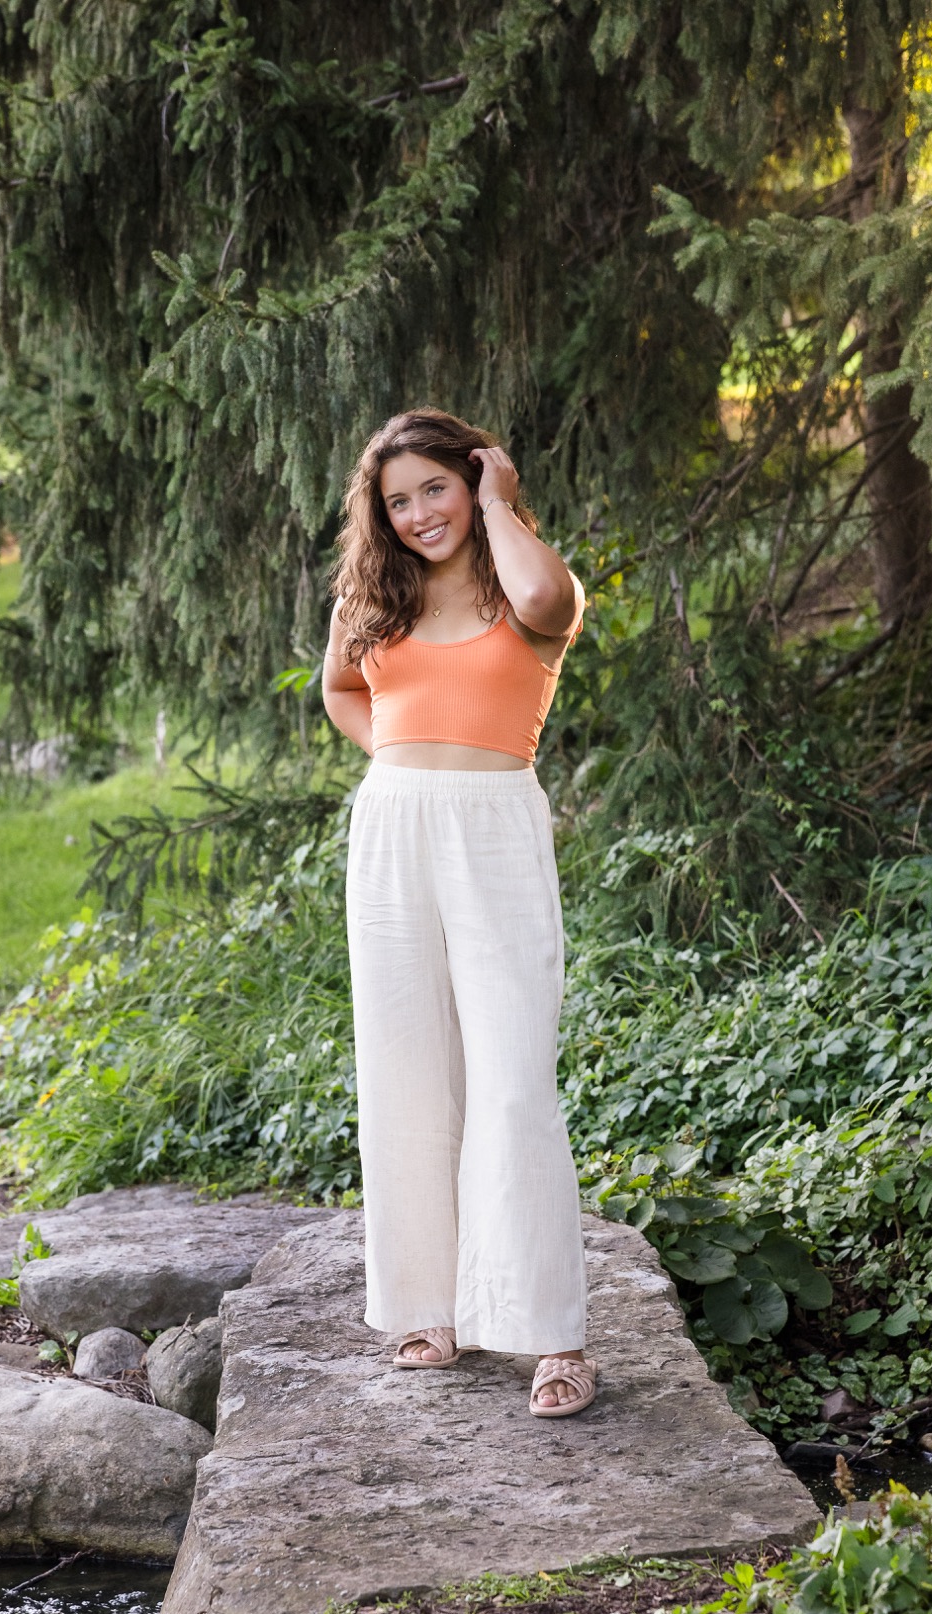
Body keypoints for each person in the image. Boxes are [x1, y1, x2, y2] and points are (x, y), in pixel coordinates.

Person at [321, 406, 596, 1419]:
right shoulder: (373, 593)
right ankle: (426, 1308)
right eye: (397, 501)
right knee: (406, 1070)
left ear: (474, 480)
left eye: (434, 487)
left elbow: (550, 600)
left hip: (495, 827)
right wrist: (402, 764)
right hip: (392, 832)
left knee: (513, 1081)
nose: (417, 514)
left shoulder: (524, 582)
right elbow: (342, 690)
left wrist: (501, 504)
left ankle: (553, 1334)